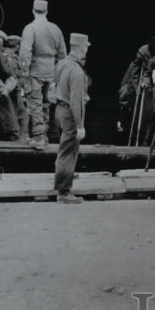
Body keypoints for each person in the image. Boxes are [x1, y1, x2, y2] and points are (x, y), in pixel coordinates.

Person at [19, 0, 67, 150]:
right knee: (46, 104)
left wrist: (24, 73)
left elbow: (25, 52)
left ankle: (39, 137)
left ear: (33, 11)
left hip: (35, 71)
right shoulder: (56, 29)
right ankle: (43, 135)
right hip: (51, 71)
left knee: (35, 104)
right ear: (47, 11)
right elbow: (62, 54)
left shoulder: (30, 29)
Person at [52, 32, 91, 204]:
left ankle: (65, 174)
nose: (86, 51)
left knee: (65, 149)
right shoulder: (77, 71)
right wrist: (80, 125)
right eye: (85, 48)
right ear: (79, 48)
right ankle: (63, 191)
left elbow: (54, 86)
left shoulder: (62, 63)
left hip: (59, 109)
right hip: (70, 114)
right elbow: (76, 102)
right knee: (68, 151)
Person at [3, 34, 29, 140]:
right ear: (17, 46)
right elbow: (14, 73)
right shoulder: (11, 57)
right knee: (22, 113)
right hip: (13, 89)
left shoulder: (4, 54)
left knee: (14, 113)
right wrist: (23, 72)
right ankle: (21, 136)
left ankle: (17, 135)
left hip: (10, 89)